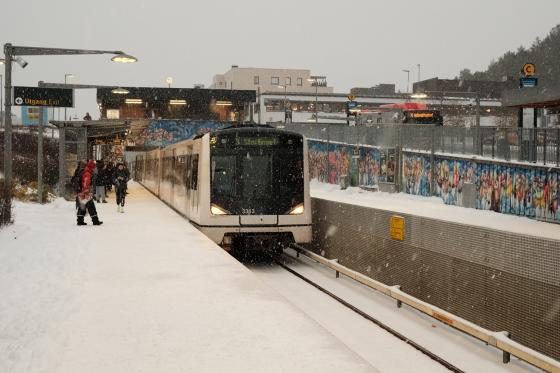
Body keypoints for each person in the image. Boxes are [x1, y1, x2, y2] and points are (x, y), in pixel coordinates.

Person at [77, 160, 103, 226]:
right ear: (92, 167)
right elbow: (86, 183)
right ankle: (95, 221)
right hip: (86, 193)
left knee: (82, 207)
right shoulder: (87, 173)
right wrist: (86, 192)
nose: (95, 169)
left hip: (83, 192)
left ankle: (80, 221)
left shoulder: (86, 171)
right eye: (94, 167)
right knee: (91, 207)